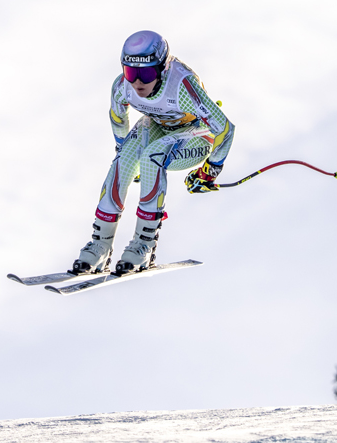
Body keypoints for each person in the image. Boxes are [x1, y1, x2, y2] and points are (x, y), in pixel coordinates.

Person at [71, 30, 235, 276]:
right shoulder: (122, 87)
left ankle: (144, 245)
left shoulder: (181, 86)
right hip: (159, 127)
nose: (138, 82)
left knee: (152, 155)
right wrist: (124, 154)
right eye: (130, 72)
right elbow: (118, 118)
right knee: (123, 158)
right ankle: (100, 244)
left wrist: (209, 171)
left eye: (146, 73)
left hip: (196, 135)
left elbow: (224, 128)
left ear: (162, 69)